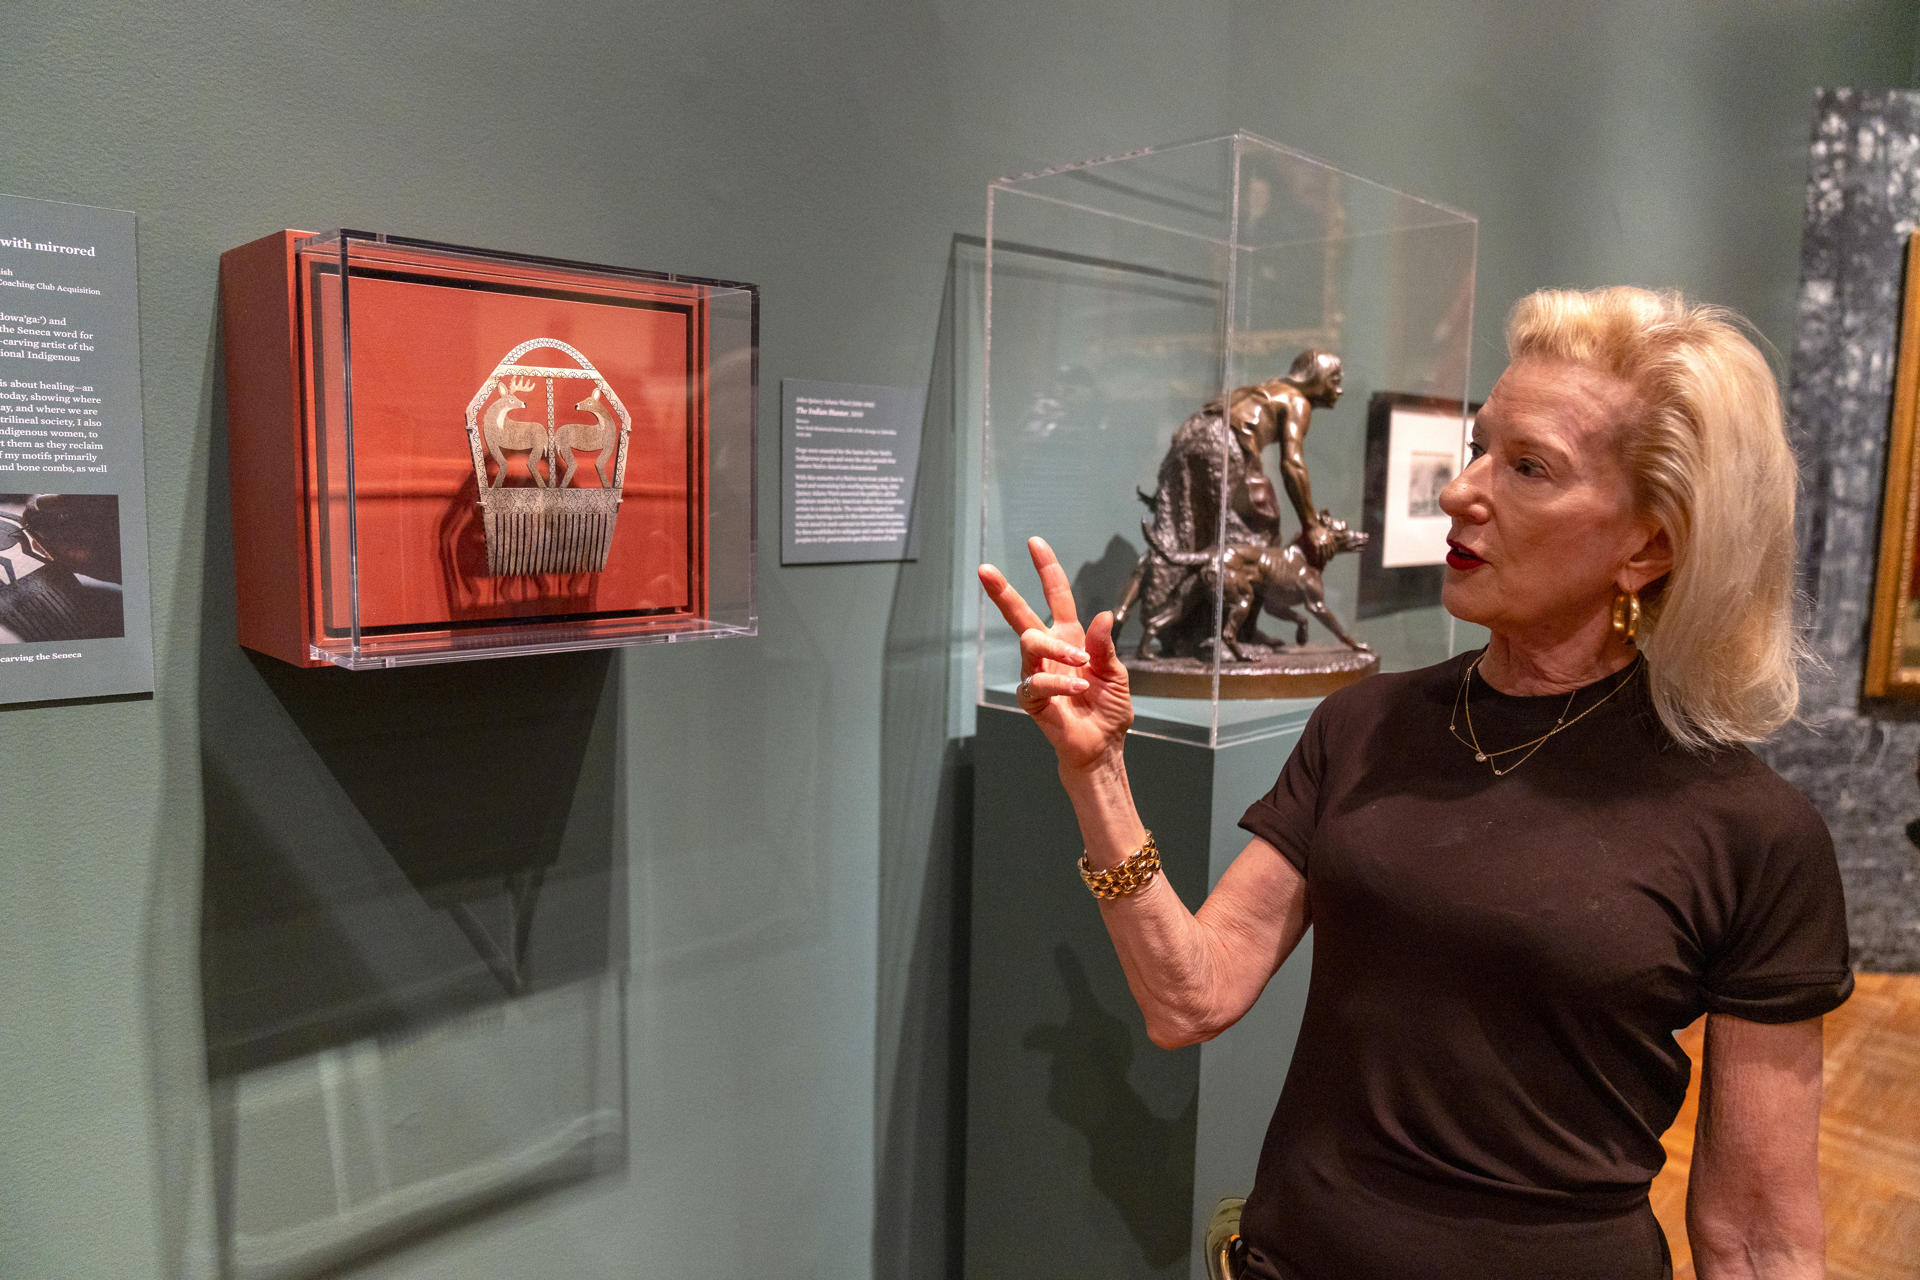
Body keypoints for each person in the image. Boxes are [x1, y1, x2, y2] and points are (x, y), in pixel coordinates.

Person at [978, 286, 1853, 1280]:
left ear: (1648, 545)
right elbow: (1192, 996)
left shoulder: (1752, 832)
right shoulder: (1365, 722)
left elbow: (1759, 1235)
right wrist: (1098, 774)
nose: (1460, 491)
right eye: (1481, 448)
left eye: (1528, 467)